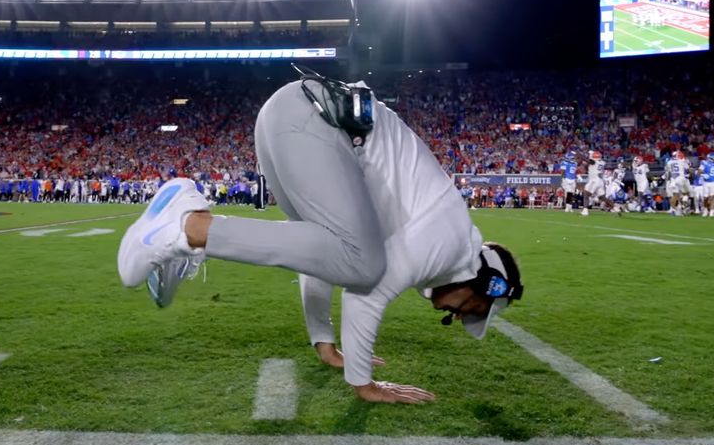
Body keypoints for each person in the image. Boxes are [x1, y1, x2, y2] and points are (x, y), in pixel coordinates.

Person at [117, 68, 523, 404]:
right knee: (364, 266)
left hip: (294, 118)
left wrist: (324, 342)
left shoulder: (445, 239)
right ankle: (188, 227)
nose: (456, 317)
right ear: (486, 282)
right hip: (314, 123)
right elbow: (367, 292)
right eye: (473, 309)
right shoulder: (451, 243)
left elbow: (319, 260)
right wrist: (365, 385)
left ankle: (183, 236)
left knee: (333, 250)